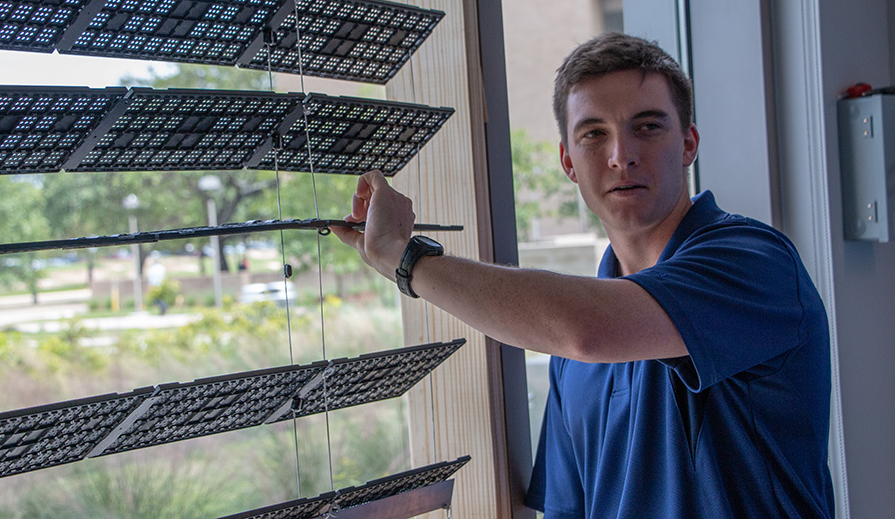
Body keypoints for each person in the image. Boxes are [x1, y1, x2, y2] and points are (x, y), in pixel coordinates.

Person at [332, 32, 834, 517]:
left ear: (689, 143)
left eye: (648, 126)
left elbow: (588, 330)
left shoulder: (753, 263)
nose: (621, 155)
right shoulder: (572, 355)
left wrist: (404, 257)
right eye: (595, 134)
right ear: (569, 162)